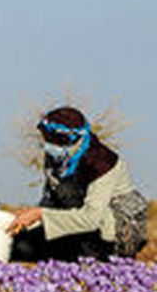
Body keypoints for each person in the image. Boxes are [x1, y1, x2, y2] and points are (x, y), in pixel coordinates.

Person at [8, 107, 148, 261]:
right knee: (20, 246)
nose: (48, 145)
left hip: (110, 231)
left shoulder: (102, 163)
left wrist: (40, 214)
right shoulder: (56, 157)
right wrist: (28, 220)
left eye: (53, 140)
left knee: (84, 255)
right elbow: (50, 200)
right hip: (73, 221)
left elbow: (90, 219)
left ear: (71, 139)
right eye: (46, 139)